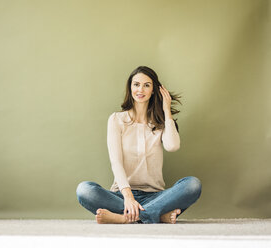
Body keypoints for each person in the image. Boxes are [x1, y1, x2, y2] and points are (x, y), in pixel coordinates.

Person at [76, 66, 202, 224]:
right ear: (130, 87)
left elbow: (172, 146)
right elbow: (116, 162)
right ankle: (156, 215)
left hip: (155, 195)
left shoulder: (161, 123)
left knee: (192, 185)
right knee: (85, 190)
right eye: (136, 84)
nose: (140, 89)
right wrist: (128, 197)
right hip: (121, 195)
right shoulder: (116, 120)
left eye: (146, 85)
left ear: (154, 90)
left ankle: (125, 218)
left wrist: (167, 111)